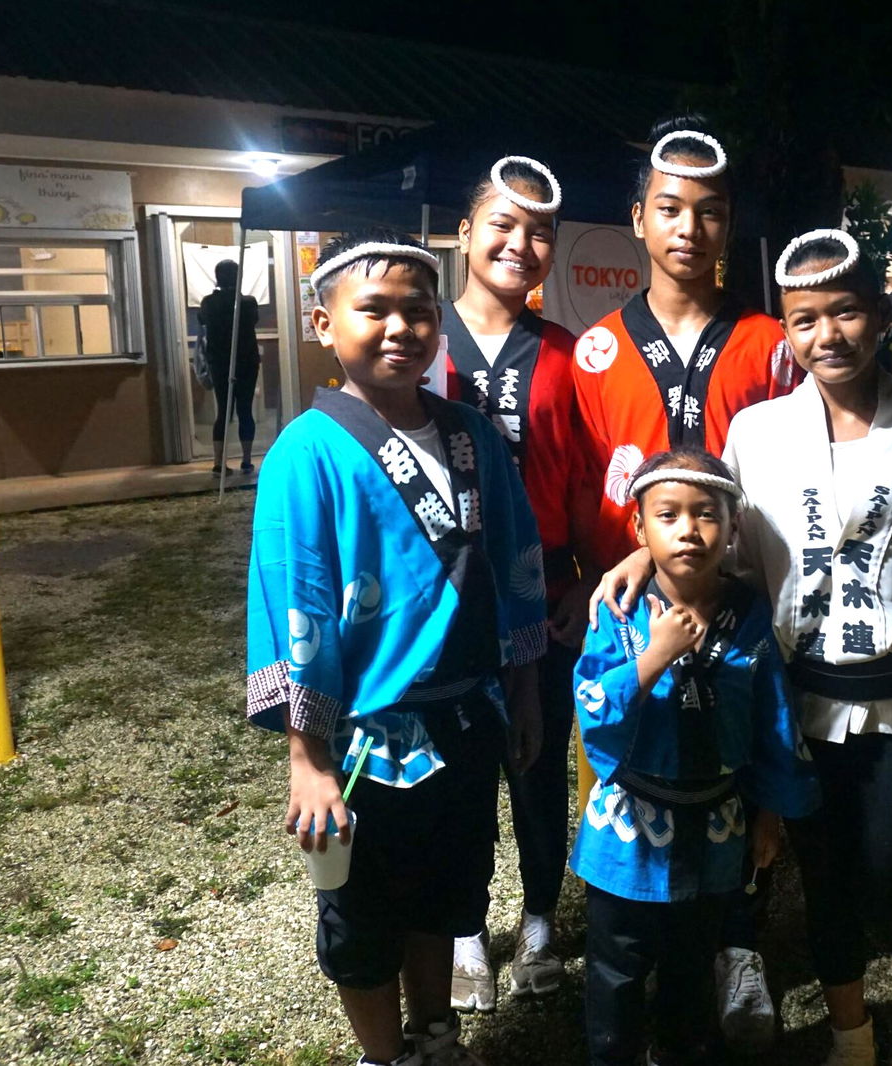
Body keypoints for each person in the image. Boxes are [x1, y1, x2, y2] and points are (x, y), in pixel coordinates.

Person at [595, 228, 892, 1065]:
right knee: (822, 878)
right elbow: (724, 552)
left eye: (845, 313)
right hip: (798, 697)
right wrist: (644, 548)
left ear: (881, 317)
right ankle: (850, 1031)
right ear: (786, 331)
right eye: (803, 319)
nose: (826, 335)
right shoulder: (758, 432)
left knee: (885, 878)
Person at [246, 230, 547, 1066]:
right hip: (364, 738)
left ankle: (436, 1035)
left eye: (417, 310)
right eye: (371, 308)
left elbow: (517, 558)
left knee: (443, 895)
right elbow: (294, 600)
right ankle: (383, 1055)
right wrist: (307, 759)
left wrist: (522, 694)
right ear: (321, 321)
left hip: (463, 714)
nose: (399, 328)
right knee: (362, 913)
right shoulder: (306, 454)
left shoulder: (472, 435)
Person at [569, 113, 798, 1049]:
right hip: (637, 618)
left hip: (746, 605)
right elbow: (596, 489)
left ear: (729, 225)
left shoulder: (771, 341)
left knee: (743, 770)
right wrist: (636, 555)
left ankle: (738, 954)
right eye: (669, 209)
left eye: (709, 213)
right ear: (637, 219)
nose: (688, 230)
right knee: (637, 766)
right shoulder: (593, 352)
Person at [572, 447, 819, 1066]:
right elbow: (592, 709)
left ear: (733, 526)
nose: (688, 530)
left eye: (707, 514)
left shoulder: (748, 614)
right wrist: (653, 658)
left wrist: (769, 814)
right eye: (667, 515)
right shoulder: (617, 610)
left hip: (716, 829)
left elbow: (774, 719)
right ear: (639, 528)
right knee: (616, 975)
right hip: (628, 837)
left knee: (691, 968)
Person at [435, 156, 590, 1013]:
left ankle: (537, 921)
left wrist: (588, 577)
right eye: (501, 224)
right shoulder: (421, 344)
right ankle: (465, 932)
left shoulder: (567, 356)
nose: (519, 245)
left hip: (544, 601)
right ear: (464, 232)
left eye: (538, 233)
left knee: (537, 765)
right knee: (461, 772)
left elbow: (584, 478)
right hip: (447, 603)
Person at [198, 259, 260, 474]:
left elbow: (202, 322)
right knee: (245, 409)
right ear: (237, 277)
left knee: (223, 412)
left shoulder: (208, 303)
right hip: (247, 362)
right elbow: (253, 321)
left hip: (219, 363)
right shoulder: (248, 302)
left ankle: (218, 463)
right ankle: (246, 460)